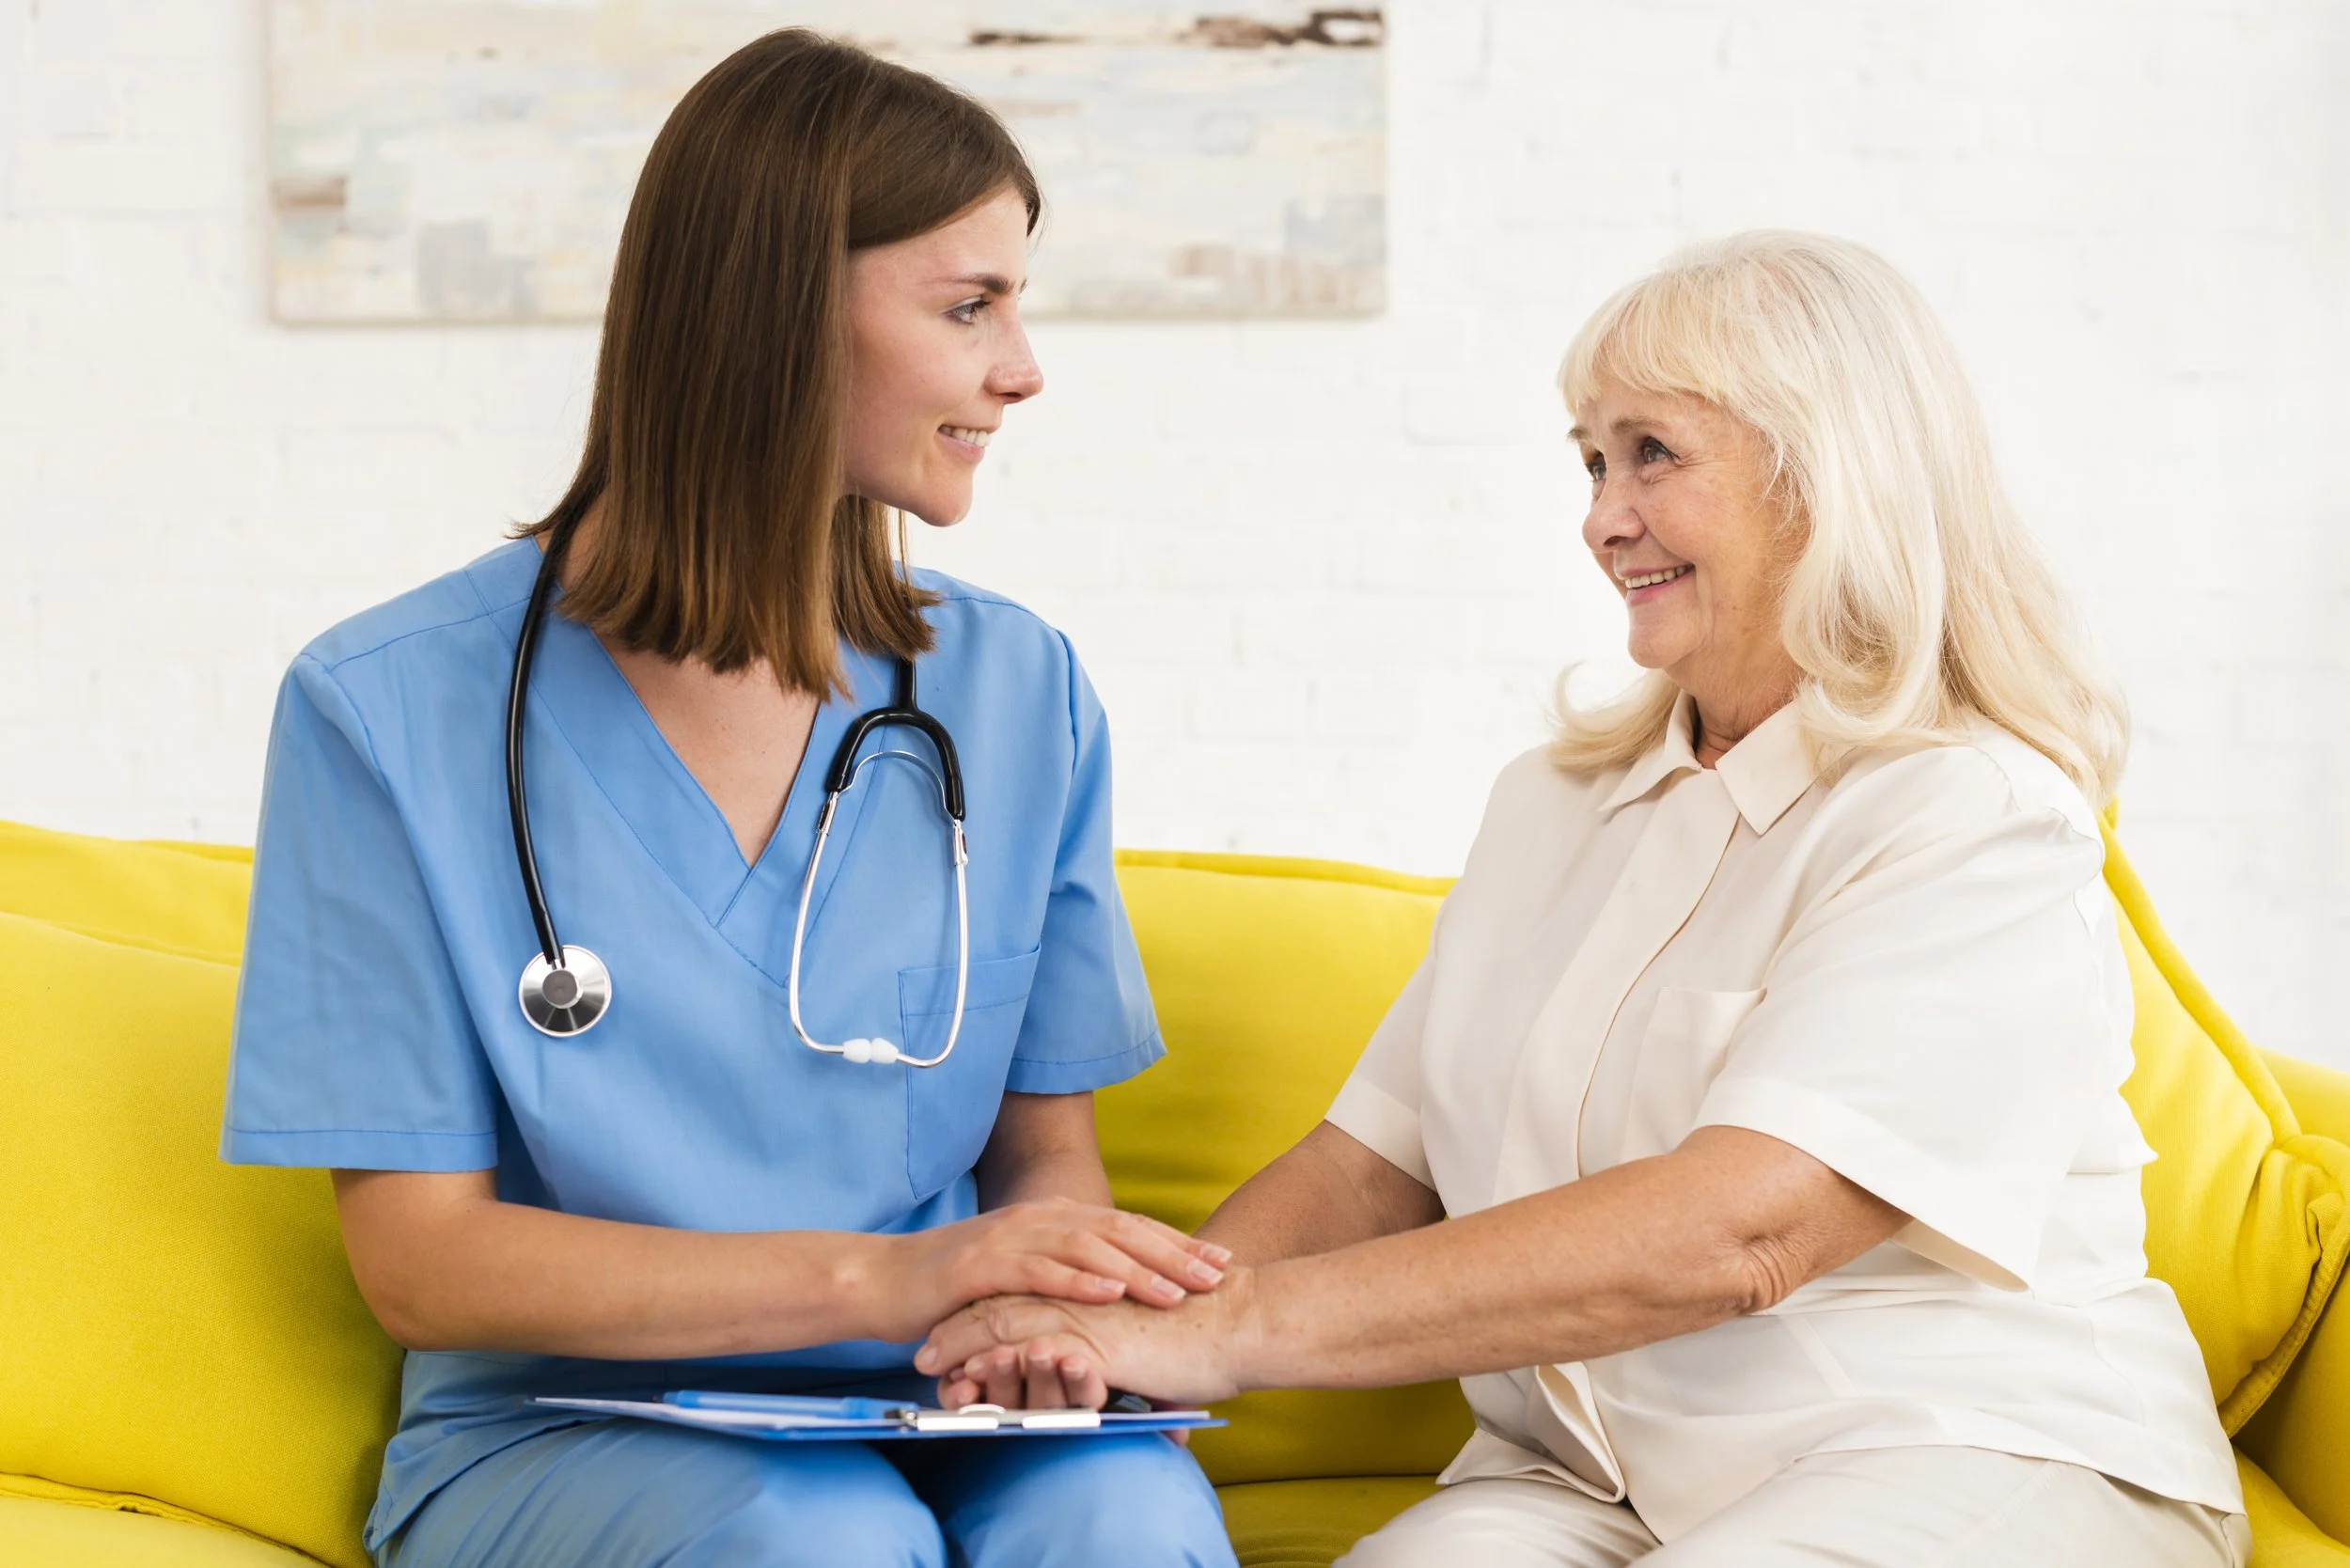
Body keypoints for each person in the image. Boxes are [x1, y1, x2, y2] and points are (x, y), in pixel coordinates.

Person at [916, 231, 2249, 1565]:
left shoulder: (1970, 816)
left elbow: (1748, 1227)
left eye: (1651, 454)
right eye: (1592, 460)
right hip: (1584, 1476)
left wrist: (1223, 1334)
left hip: (1963, 1443)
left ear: (1822, 477)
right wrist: (1119, 1332)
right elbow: (1371, 1166)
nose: (1603, 516)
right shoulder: (1554, 806)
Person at [221, 29, 1237, 1568]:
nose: (1022, 369)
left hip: (938, 1406)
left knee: (1127, 1510)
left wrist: (1033, 1308)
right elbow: (424, 1266)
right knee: (801, 1538)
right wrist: (882, 1283)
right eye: (970, 307)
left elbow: (1045, 1155)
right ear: (774, 315)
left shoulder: (1020, 692)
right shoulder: (385, 707)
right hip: (569, 1432)